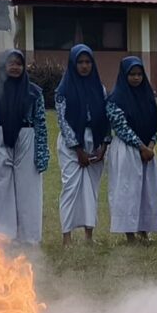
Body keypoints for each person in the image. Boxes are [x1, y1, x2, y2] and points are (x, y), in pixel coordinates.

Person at [0, 48, 48, 244]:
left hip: (27, 136)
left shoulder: (34, 92)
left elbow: (41, 122)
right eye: (11, 63)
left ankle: (29, 237)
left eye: (19, 63)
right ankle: (2, 236)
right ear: (3, 65)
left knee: (28, 186)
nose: (15, 67)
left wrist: (42, 154)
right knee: (0, 185)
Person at [55, 43, 110, 245]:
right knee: (71, 187)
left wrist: (104, 145)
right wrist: (78, 150)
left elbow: (106, 118)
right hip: (72, 145)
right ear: (73, 64)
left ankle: (89, 235)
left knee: (90, 190)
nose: (84, 66)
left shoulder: (99, 88)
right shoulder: (64, 89)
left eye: (88, 62)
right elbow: (62, 121)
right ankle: (66, 237)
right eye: (80, 62)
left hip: (94, 141)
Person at [103, 55, 157, 241]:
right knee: (128, 190)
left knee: (147, 191)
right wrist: (141, 146)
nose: (136, 78)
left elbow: (155, 122)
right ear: (124, 75)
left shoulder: (148, 96)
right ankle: (129, 232)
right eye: (132, 74)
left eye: (139, 74)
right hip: (127, 149)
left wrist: (151, 145)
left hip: (148, 150)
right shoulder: (116, 98)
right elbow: (120, 126)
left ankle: (144, 230)